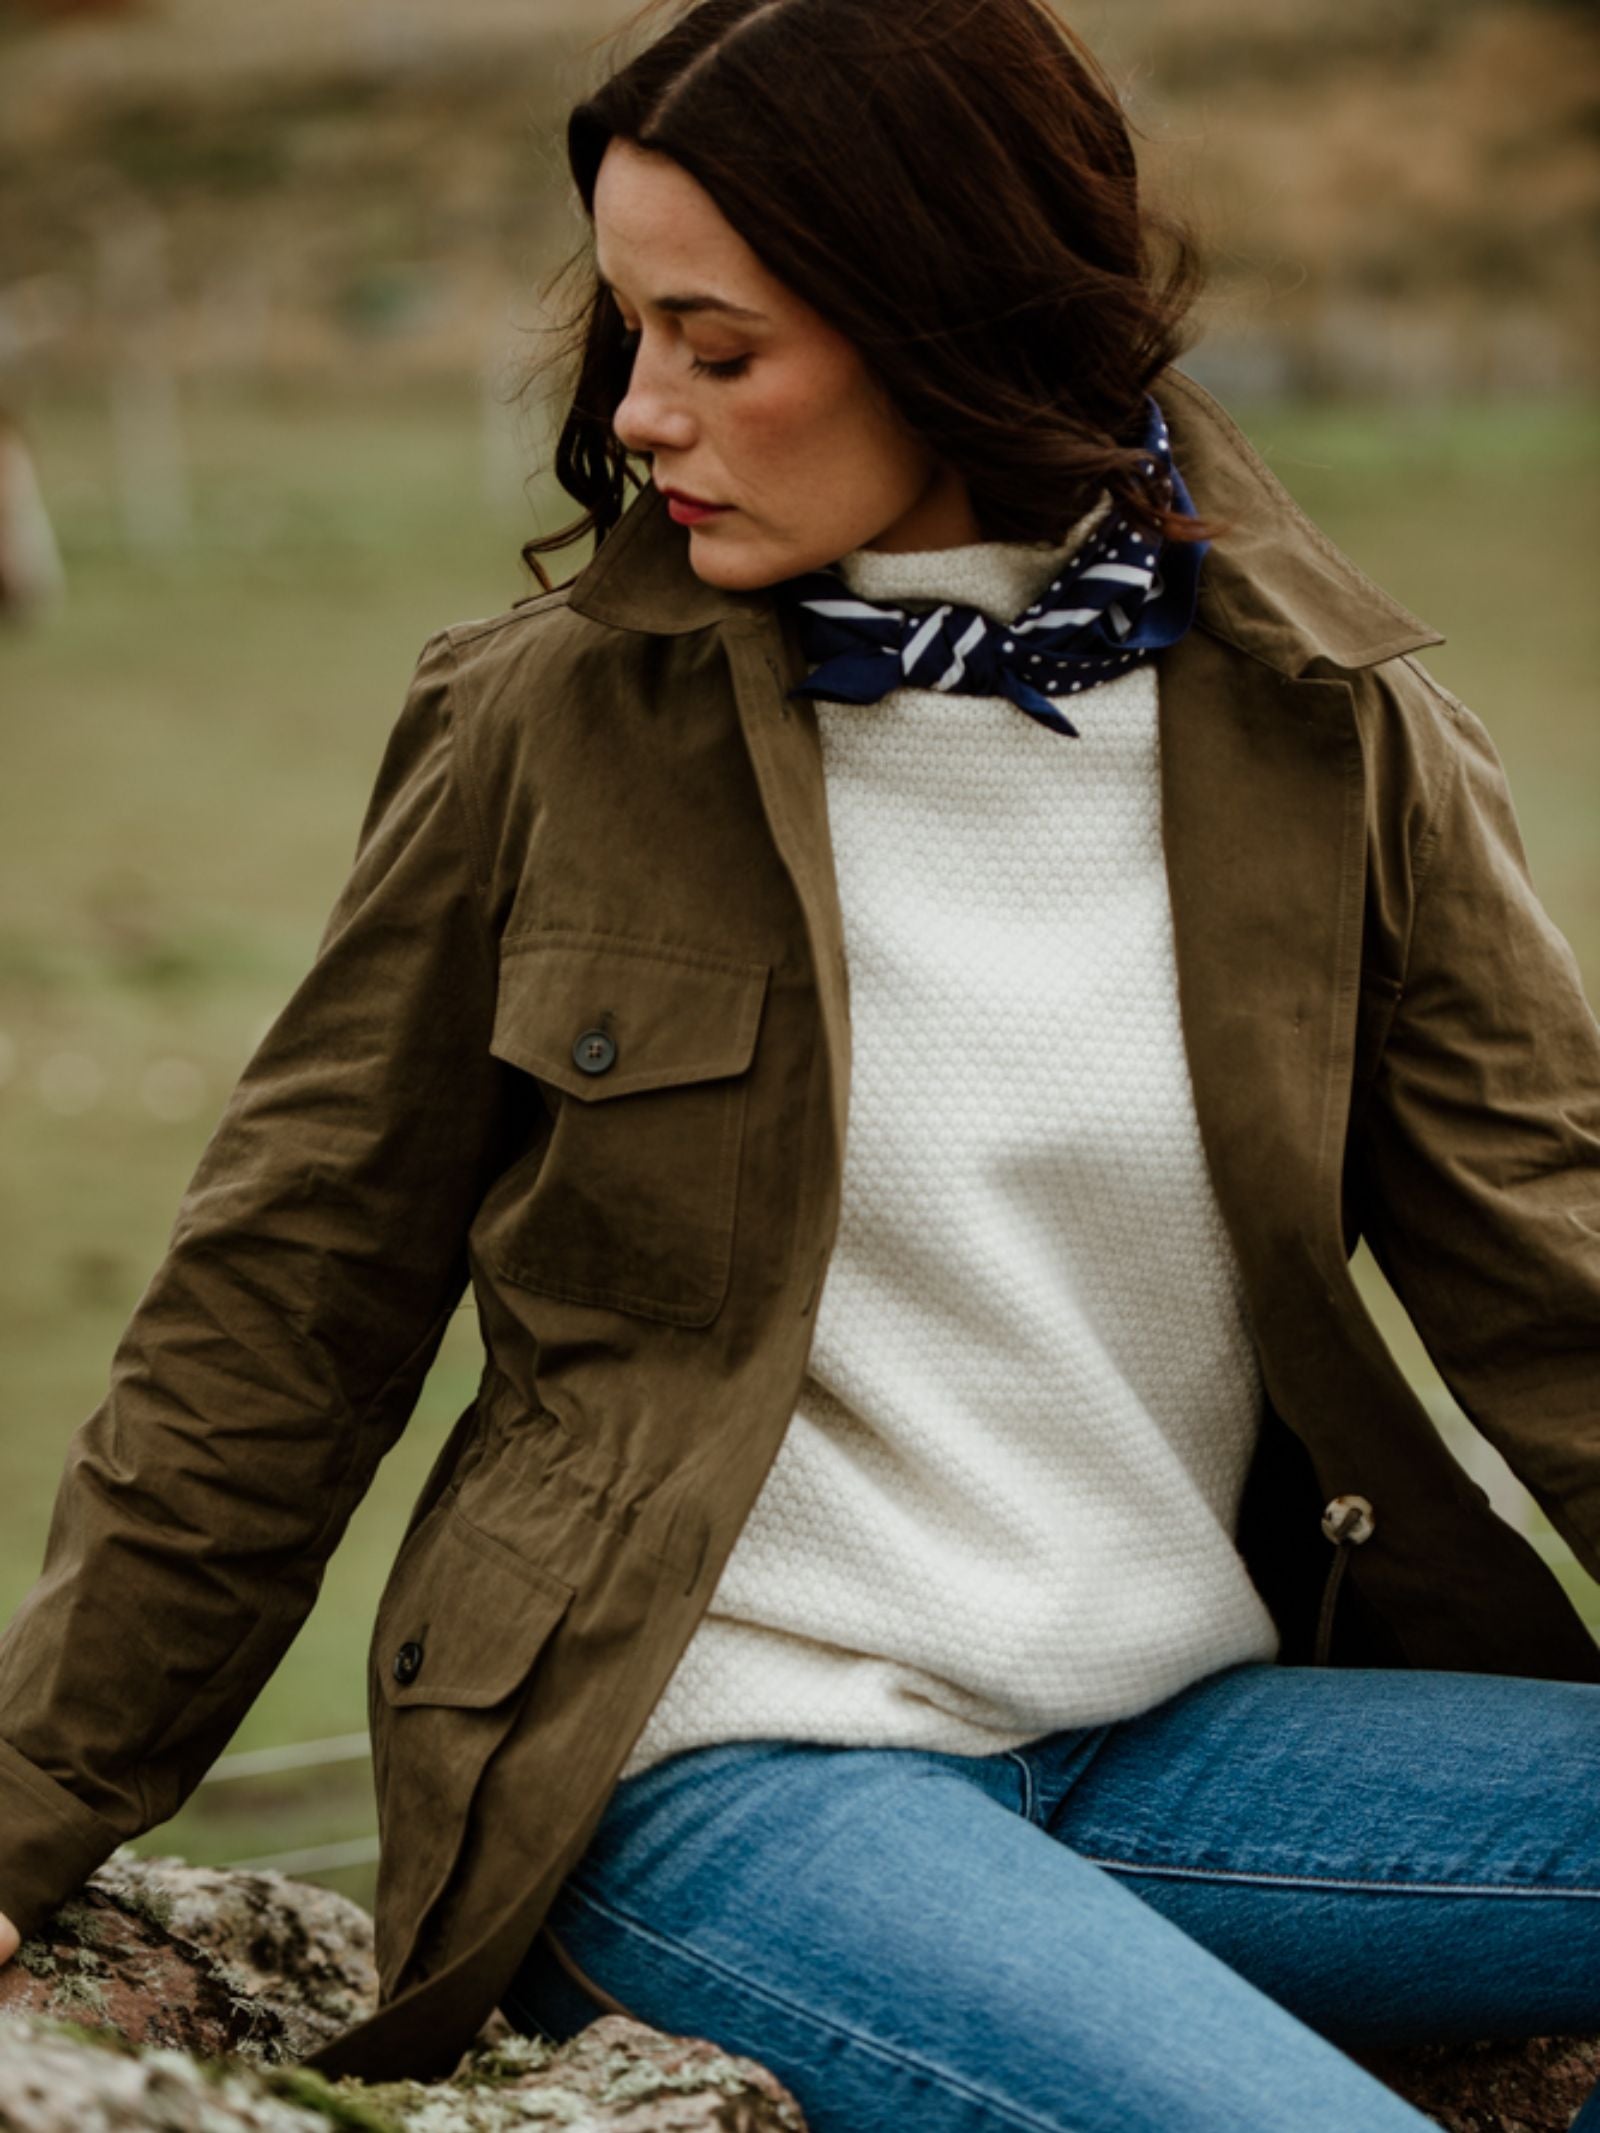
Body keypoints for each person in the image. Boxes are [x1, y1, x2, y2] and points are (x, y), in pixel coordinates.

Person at [2, 0, 1597, 2124]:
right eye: (629, 330)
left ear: (945, 322)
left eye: (717, 345)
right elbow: (274, 1327)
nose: (641, 410)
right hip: (710, 1768)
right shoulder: (542, 733)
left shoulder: (1334, 728)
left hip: (1180, 1728)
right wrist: (22, 1807)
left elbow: (1561, 1277)